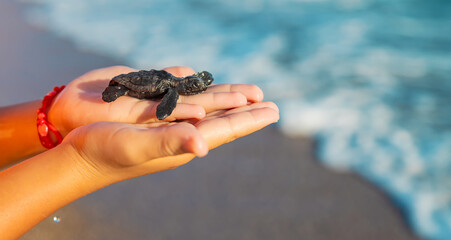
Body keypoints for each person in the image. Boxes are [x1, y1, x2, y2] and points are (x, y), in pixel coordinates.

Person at [0, 65, 279, 239]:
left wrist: (56, 115)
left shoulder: (173, 83)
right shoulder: (169, 89)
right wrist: (83, 163)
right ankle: (116, 90)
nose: (194, 88)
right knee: (120, 90)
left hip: (146, 81)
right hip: (131, 84)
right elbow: (163, 102)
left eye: (196, 85)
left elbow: (190, 83)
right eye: (193, 86)